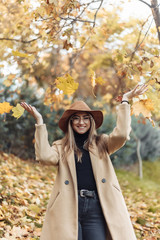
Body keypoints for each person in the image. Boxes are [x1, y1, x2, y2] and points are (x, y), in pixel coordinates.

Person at [20, 84, 147, 240]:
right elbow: (44, 157)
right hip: (68, 205)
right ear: (71, 123)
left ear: (91, 121)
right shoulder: (61, 146)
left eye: (86, 118)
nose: (81, 122)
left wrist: (125, 101)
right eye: (76, 118)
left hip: (96, 206)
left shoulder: (102, 143)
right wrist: (39, 122)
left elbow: (121, 135)